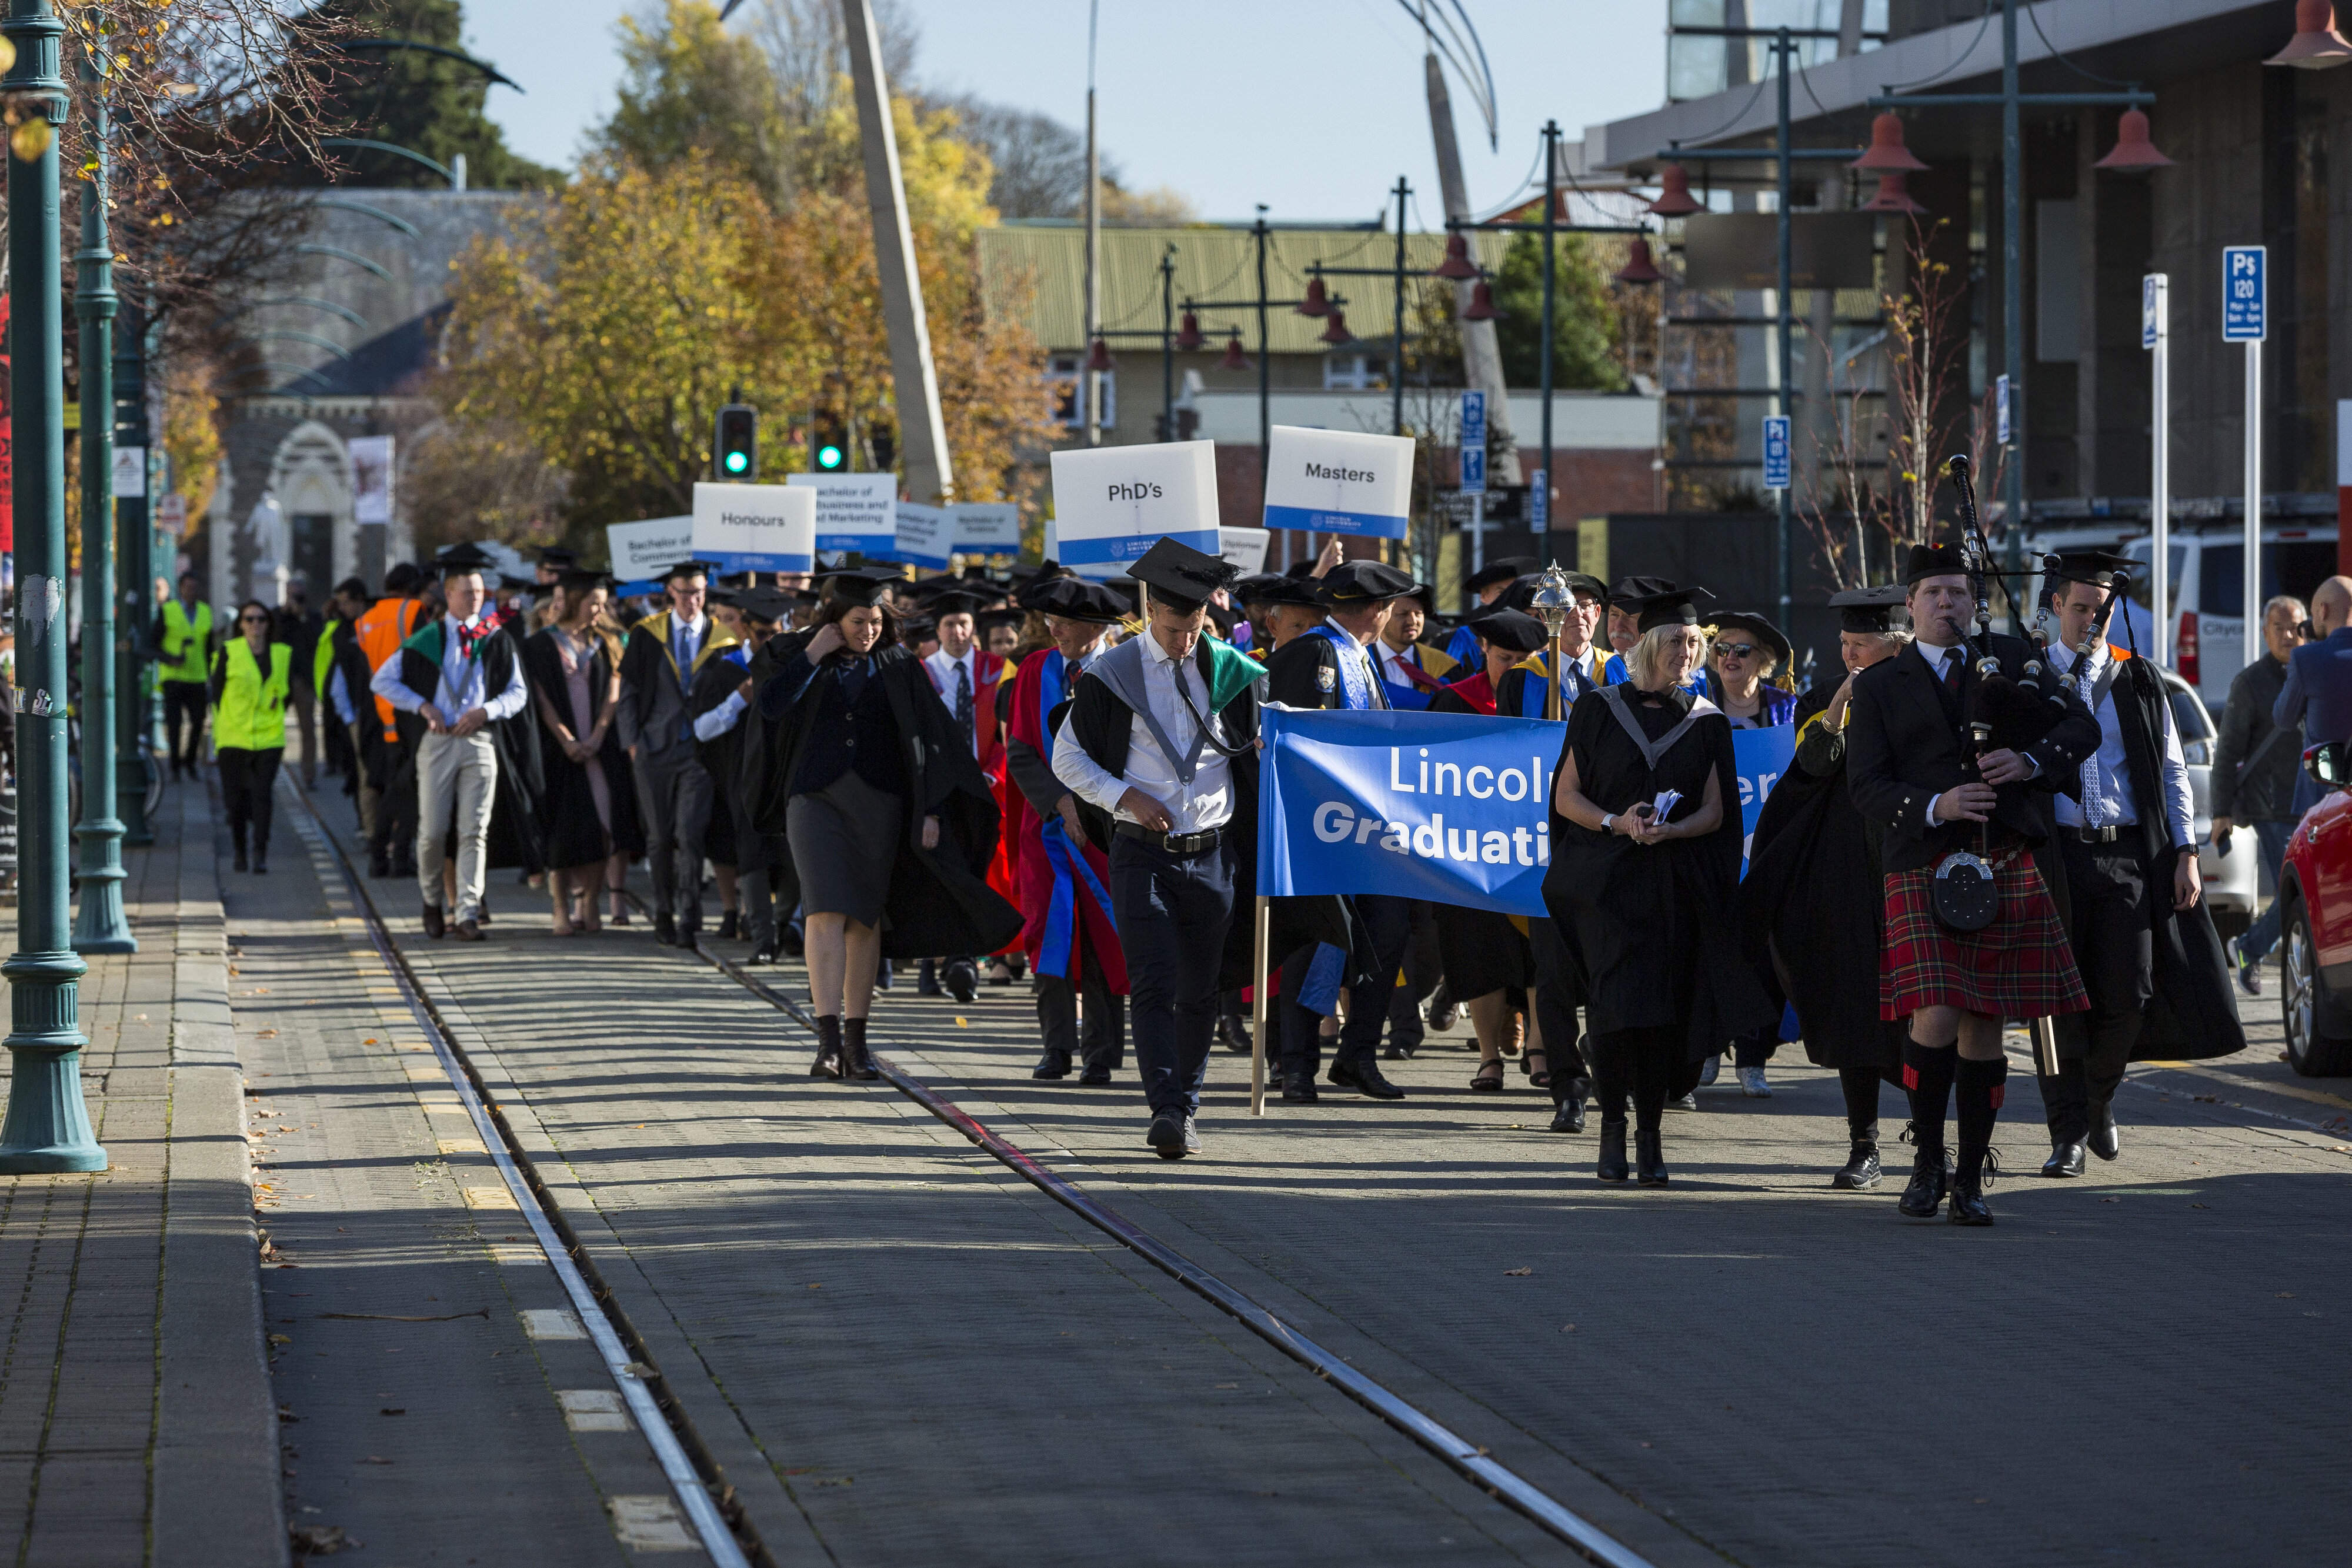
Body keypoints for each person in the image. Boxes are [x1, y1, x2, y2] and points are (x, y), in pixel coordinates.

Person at [1844, 542, 2101, 1225]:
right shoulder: (1877, 684)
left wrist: (2029, 759)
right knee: (1934, 1013)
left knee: (1986, 1025)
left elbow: (2082, 725)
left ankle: (1970, 1176)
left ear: (1972, 601)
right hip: (1923, 857)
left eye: (1957, 592)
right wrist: (1939, 805)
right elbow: (1866, 786)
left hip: (2003, 857)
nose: (1946, 604)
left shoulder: (2010, 660)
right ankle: (1928, 1161)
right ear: (1911, 603)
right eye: (1932, 593)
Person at [1544, 585, 1774, 1185]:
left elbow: (1718, 813)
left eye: (1695, 642)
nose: (1689, 651)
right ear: (1649, 644)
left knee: (1659, 1019)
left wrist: (1672, 831)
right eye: (1678, 639)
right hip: (1608, 885)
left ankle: (1650, 1137)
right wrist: (1616, 821)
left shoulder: (1705, 724)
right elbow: (1567, 797)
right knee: (1614, 1015)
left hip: (1672, 888)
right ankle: (1612, 1131)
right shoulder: (1596, 709)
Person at [753, 568, 1019, 1083]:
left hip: (880, 804)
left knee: (864, 918)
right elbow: (770, 706)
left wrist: (932, 812)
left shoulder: (897, 665)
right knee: (825, 909)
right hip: (814, 800)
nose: (869, 631)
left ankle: (857, 1040)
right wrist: (814, 653)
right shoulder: (797, 655)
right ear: (833, 619)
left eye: (875, 621)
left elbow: (931, 746)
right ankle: (826, 1040)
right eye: (858, 622)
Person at [1051, 538, 1271, 1158]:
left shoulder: (1231, 669)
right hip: (1143, 851)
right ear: (1151, 612)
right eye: (1175, 628)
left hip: (1214, 854)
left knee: (1200, 989)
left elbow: (1268, 737)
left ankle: (1190, 1103)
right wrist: (1123, 797)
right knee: (1151, 981)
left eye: (1196, 626)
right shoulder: (1110, 675)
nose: (1185, 641)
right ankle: (1166, 1108)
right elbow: (1065, 758)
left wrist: (1267, 748)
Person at [2035, 552, 2245, 1177]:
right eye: (2079, 608)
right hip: (2057, 858)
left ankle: (2097, 1098)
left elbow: (2174, 770)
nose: (2091, 621)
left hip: (2127, 854)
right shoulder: (2030, 678)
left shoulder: (2138, 678)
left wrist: (2186, 850)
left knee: (2130, 995)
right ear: (2055, 608)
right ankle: (2066, 1133)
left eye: (2101, 611)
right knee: (2055, 1005)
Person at [1740, 585, 1911, 1187]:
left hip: (1909, 877)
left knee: (1925, 1015)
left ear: (1896, 645)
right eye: (1843, 644)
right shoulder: (1822, 700)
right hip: (1846, 884)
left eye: (1859, 646)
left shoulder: (1926, 697)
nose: (1849, 655)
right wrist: (1840, 705)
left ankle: (1934, 1137)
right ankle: (1863, 1142)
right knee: (1854, 1011)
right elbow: (1810, 768)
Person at [1263, 559, 1419, 1102]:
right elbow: (1281, 731)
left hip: (1371, 832)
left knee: (1386, 936)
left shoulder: (1362, 658)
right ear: (1376, 611)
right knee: (1317, 944)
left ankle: (1357, 1054)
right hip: (1319, 830)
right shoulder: (1311, 651)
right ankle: (1298, 1065)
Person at [371, 546, 542, 941]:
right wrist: (422, 706)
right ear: (448, 595)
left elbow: (518, 693)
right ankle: (432, 900)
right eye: (468, 593)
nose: (476, 600)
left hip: (479, 741)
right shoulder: (427, 638)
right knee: (432, 831)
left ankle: (467, 911)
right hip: (438, 742)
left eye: (480, 593)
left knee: (474, 830)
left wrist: (488, 711)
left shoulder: (495, 639)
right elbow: (381, 681)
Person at [1002, 575, 1132, 1082]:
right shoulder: (1035, 670)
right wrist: (1060, 803)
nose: (1051, 627)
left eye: (1063, 621)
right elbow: (1019, 750)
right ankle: (1055, 1047)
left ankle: (1100, 1055)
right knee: (1050, 935)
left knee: (1105, 939)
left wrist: (1091, 805)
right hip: (1049, 832)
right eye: (1050, 618)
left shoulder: (1124, 670)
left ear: (1095, 625)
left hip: (1106, 831)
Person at [618, 559, 736, 947]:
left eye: (699, 592)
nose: (693, 600)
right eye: (685, 593)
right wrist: (631, 741)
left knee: (690, 834)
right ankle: (664, 911)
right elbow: (629, 693)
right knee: (658, 837)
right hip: (653, 748)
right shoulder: (646, 635)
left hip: (698, 752)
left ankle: (690, 915)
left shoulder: (722, 640)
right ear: (671, 592)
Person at [523, 570, 643, 936]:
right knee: (563, 829)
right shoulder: (541, 644)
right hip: (558, 748)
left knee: (604, 824)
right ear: (576, 601)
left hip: (600, 747)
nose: (600, 609)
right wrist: (567, 740)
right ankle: (561, 908)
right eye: (594, 602)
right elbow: (539, 697)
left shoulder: (606, 640)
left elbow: (614, 689)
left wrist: (596, 736)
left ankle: (590, 900)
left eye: (603, 603)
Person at [919, 589, 1014, 1002]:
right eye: (948, 625)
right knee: (942, 872)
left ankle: (966, 956)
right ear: (937, 631)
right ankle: (945, 959)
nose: (957, 632)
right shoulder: (922, 673)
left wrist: (992, 774)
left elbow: (1009, 734)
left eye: (963, 624)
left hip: (986, 790)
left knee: (978, 872)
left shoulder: (998, 669)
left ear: (973, 628)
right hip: (941, 792)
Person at [2213, 594, 2310, 992]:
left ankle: (2250, 948)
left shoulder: (2315, 670)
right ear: (2265, 632)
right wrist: (2220, 811)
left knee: (2304, 894)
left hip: (2315, 801)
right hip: (2270, 804)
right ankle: (2254, 949)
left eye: (2295, 627)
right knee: (2297, 892)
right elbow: (2227, 752)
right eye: (2279, 628)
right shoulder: (2250, 682)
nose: (2288, 635)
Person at [693, 585, 793, 956]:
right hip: (745, 780)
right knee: (751, 854)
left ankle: (785, 928)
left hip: (787, 777)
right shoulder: (725, 671)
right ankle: (763, 941)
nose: (769, 639)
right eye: (762, 632)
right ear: (746, 629)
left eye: (775, 631)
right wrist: (739, 699)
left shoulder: (794, 668)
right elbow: (701, 730)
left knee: (793, 856)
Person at [352, 563, 431, 878]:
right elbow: (423, 657)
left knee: (394, 785)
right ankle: (396, 854)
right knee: (407, 786)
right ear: (412, 586)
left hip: (378, 708)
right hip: (408, 707)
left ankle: (382, 854)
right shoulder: (413, 610)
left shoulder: (366, 620)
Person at [209, 600, 291, 874]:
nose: (256, 624)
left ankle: (260, 852)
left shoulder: (282, 654)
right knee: (236, 801)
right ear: (241, 624)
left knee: (262, 796)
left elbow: (286, 692)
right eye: (249, 619)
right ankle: (240, 851)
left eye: (261, 619)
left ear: (269, 624)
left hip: (269, 739)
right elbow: (217, 693)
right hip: (233, 739)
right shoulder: (229, 652)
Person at [154, 571, 215, 779]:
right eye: (188, 587)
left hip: (197, 677)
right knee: (174, 724)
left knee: (198, 722)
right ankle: (174, 767)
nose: (191, 592)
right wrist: (169, 658)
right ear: (180, 588)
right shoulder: (168, 610)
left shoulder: (206, 611)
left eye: (194, 588)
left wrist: (212, 674)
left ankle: (190, 761)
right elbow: (154, 644)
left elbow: (209, 647)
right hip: (173, 677)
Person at [1371, 582, 1458, 709]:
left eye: (1418, 614)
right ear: (1383, 615)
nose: (1413, 621)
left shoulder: (1443, 665)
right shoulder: (1359, 658)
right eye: (1403, 614)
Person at [1444, 556, 1537, 665]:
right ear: (1484, 595)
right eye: (1502, 593)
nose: (1509, 600)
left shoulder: (1541, 637)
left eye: (1516, 593)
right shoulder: (1461, 640)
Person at [276, 583, 325, 788]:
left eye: (298, 596)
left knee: (308, 729)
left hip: (303, 680)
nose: (294, 600)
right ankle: (272, 770)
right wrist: (287, 614)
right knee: (273, 727)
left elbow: (315, 640)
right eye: (291, 595)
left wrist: (302, 616)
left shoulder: (313, 617)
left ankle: (309, 774)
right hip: (280, 679)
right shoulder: (278, 616)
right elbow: (275, 638)